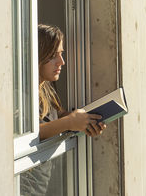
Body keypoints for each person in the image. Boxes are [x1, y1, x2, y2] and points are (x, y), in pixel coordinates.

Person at [20, 24, 106, 195]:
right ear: (37, 55)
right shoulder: (20, 93)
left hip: (40, 186)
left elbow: (51, 117)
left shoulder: (45, 88)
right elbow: (30, 135)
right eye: (53, 56)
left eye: (61, 53)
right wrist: (70, 122)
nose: (61, 62)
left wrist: (83, 120)